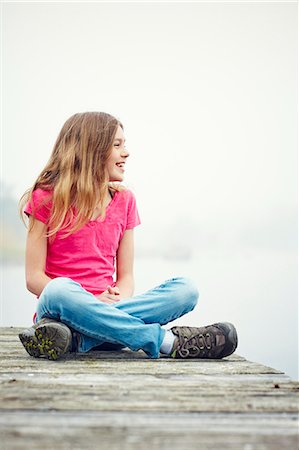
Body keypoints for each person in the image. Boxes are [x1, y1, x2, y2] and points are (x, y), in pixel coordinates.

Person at [18, 111, 238, 361]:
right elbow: (34, 279)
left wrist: (111, 304)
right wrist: (90, 301)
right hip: (61, 309)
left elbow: (126, 279)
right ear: (92, 150)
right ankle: (166, 342)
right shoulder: (46, 198)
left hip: (109, 309)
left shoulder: (125, 201)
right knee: (58, 289)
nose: (126, 152)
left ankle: (79, 338)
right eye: (117, 145)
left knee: (186, 290)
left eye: (125, 144)